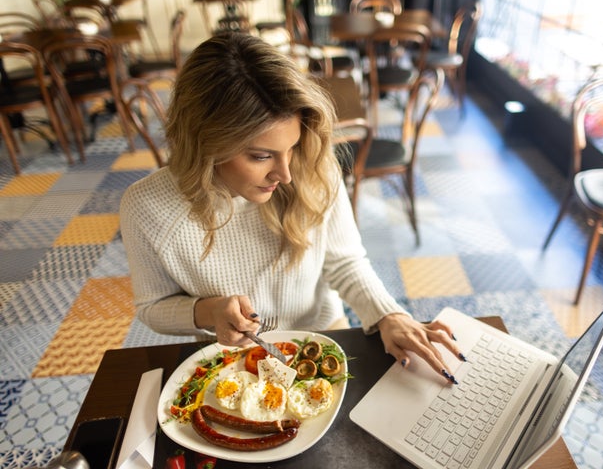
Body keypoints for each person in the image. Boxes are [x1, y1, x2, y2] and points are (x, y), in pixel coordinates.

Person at [119, 32, 463, 384]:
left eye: (293, 147)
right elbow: (151, 307)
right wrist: (207, 311)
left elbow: (345, 262)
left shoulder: (312, 165)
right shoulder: (146, 207)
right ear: (204, 142)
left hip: (323, 336)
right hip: (230, 360)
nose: (285, 174)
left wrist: (388, 314)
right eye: (260, 156)